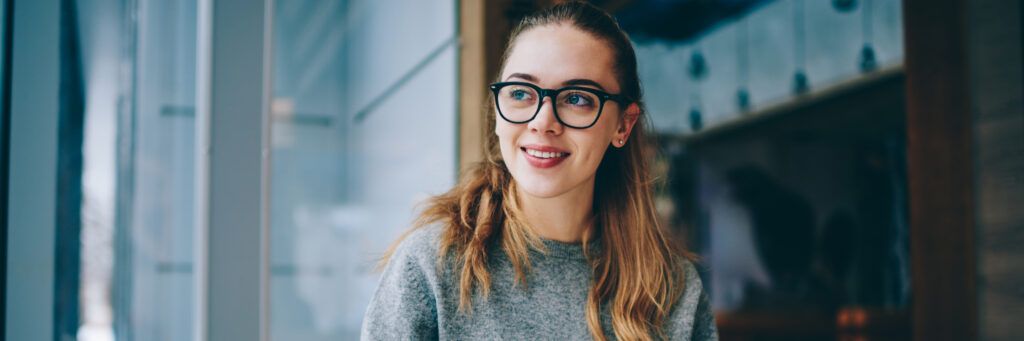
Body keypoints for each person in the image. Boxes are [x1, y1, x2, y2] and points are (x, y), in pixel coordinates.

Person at [361, 2, 717, 340]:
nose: (542, 121)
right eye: (521, 93)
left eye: (577, 98)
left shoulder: (673, 290)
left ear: (623, 125)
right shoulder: (431, 266)